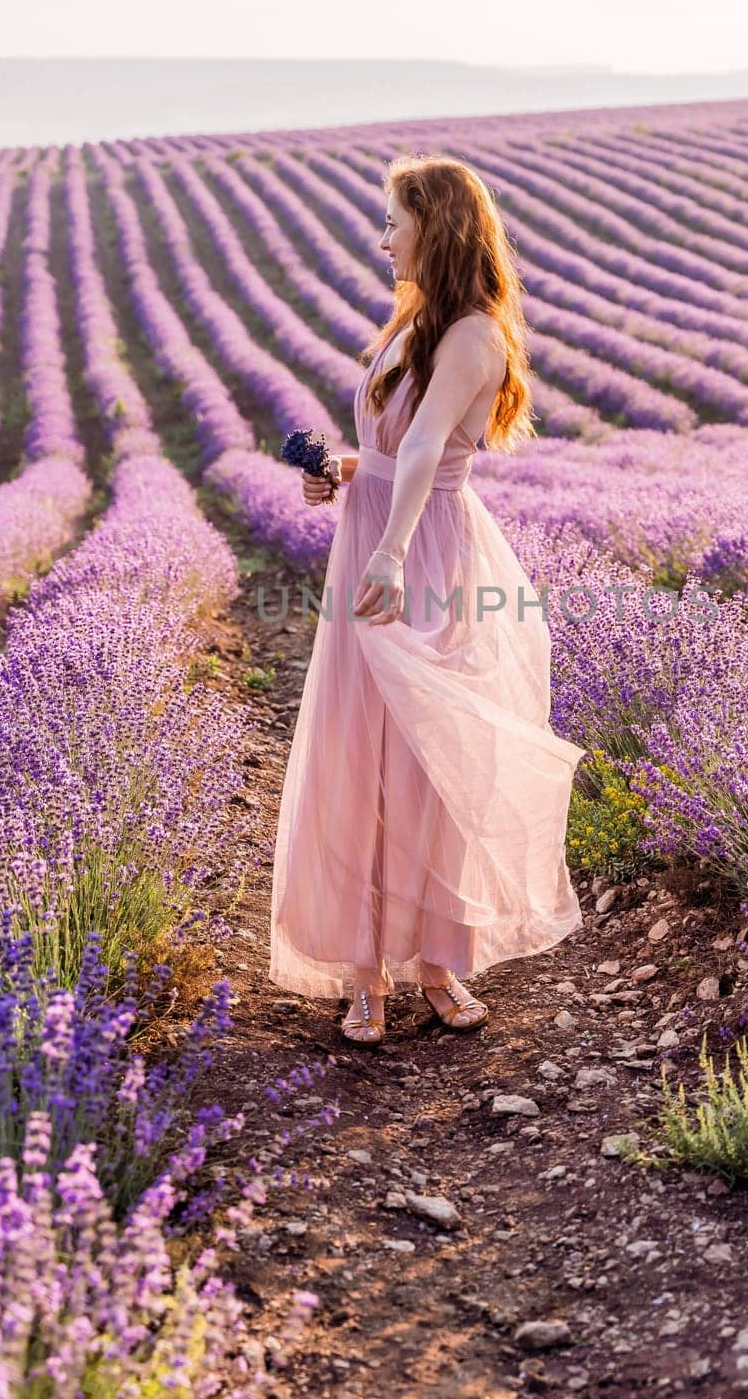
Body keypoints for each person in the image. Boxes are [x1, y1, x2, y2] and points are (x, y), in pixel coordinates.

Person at [269, 155, 586, 1046]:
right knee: (356, 745)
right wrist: (339, 470)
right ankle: (364, 968)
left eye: (393, 222)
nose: (381, 240)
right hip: (375, 539)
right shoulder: (413, 322)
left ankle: (438, 958)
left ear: (434, 227)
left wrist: (393, 553)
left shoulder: (476, 336)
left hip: (424, 554)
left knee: (428, 752)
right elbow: (385, 450)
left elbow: (423, 454)